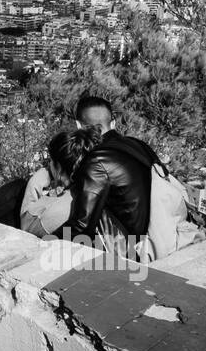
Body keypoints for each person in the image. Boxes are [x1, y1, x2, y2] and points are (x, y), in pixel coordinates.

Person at [61, 94, 163, 248]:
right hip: (155, 233)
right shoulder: (139, 145)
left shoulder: (96, 161)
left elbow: (82, 227)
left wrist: (43, 243)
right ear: (113, 123)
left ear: (78, 125)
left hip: (128, 248)